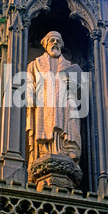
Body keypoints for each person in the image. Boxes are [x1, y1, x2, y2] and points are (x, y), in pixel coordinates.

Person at [26, 31, 88, 168]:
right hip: (45, 103)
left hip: (65, 101)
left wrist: (73, 84)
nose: (55, 43)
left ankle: (69, 151)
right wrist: (31, 96)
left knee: (72, 119)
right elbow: (29, 83)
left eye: (58, 41)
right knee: (46, 128)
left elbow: (81, 92)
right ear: (46, 44)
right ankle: (44, 153)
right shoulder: (35, 64)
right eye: (52, 40)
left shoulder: (69, 65)